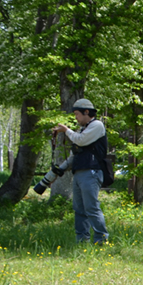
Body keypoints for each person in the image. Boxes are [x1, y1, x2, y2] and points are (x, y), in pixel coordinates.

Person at [51, 98, 109, 244]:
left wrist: (66, 130)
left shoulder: (97, 125)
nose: (76, 118)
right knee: (79, 209)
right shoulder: (84, 129)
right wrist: (61, 169)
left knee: (91, 208)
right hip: (79, 173)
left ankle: (101, 240)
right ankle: (82, 240)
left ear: (86, 112)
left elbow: (80, 140)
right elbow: (75, 154)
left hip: (91, 172)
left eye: (77, 114)